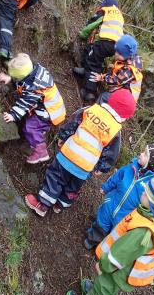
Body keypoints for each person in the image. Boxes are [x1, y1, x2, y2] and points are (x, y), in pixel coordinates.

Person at [66, 172, 154, 295]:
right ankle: (94, 291)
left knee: (105, 291)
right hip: (122, 267)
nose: (142, 192)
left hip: (118, 270)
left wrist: (103, 266)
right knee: (102, 284)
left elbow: (119, 255)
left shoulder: (143, 233)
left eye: (146, 194)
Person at [25, 89, 136, 217]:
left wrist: (63, 136)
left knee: (55, 177)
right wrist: (102, 168)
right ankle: (60, 204)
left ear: (110, 99)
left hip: (69, 155)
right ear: (124, 116)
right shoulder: (116, 130)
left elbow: (73, 122)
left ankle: (43, 204)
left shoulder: (91, 110)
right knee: (73, 186)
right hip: (86, 166)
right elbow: (111, 153)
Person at [84, 143, 154, 250]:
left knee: (116, 233)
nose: (141, 154)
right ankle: (92, 238)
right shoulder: (132, 167)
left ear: (151, 164)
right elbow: (118, 176)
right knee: (102, 221)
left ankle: (104, 250)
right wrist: (107, 187)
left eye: (145, 154)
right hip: (112, 202)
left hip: (126, 215)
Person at [0, 53, 66, 164]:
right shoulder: (32, 70)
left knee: (29, 127)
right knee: (32, 122)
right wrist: (9, 78)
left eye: (15, 77)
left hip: (49, 112)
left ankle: (40, 150)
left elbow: (25, 103)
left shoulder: (35, 88)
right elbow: (22, 80)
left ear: (21, 76)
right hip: (48, 106)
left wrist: (13, 115)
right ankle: (41, 130)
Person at [73, 0, 124, 102]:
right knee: (91, 50)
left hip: (105, 43)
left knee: (94, 63)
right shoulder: (118, 16)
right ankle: (84, 70)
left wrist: (83, 34)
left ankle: (89, 91)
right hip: (116, 47)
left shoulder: (105, 12)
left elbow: (92, 24)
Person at [89, 34, 143, 103]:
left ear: (127, 55)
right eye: (116, 51)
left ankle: (97, 110)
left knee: (104, 97)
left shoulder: (129, 71)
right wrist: (114, 67)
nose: (116, 54)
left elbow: (114, 81)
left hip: (126, 99)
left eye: (119, 54)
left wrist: (102, 77)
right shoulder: (131, 58)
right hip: (124, 89)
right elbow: (122, 68)